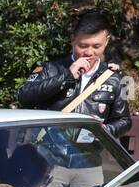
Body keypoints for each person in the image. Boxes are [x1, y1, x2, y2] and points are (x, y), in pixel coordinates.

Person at [17, 9, 131, 138]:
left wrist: (104, 131)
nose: (89, 52)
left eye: (96, 46)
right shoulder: (51, 69)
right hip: (48, 151)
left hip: (88, 153)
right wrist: (67, 76)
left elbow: (124, 120)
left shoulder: (113, 77)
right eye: (83, 46)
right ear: (72, 39)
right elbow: (24, 97)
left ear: (106, 42)